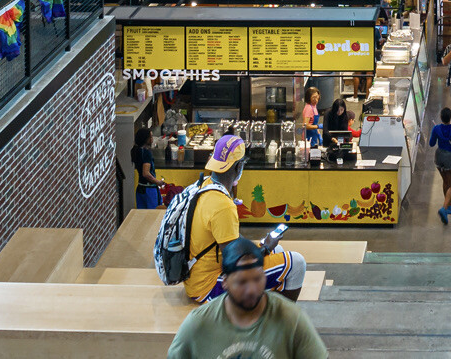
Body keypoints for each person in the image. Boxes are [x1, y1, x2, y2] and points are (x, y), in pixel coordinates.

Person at [181, 135, 308, 303]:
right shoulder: (223, 205)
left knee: (277, 250)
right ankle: (281, 320)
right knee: (297, 263)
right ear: (238, 166)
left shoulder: (204, 186)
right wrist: (265, 249)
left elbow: (228, 240)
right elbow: (235, 263)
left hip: (195, 278)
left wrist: (264, 248)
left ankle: (262, 308)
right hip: (209, 288)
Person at [167, 237, 326, 359]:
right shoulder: (198, 324)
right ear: (226, 282)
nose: (251, 290)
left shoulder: (291, 318)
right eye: (242, 282)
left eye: (257, 279)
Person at [429, 106, 451, 224]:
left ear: (441, 117)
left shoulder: (436, 128)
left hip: (439, 157)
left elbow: (431, 143)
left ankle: (448, 203)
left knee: (446, 181)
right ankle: (444, 208)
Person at [133, 126, 163, 210]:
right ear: (145, 139)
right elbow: (146, 173)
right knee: (153, 215)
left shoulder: (136, 150)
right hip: (149, 190)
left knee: (142, 215)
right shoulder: (146, 153)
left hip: (140, 189)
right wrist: (158, 182)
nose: (152, 139)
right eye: (150, 137)